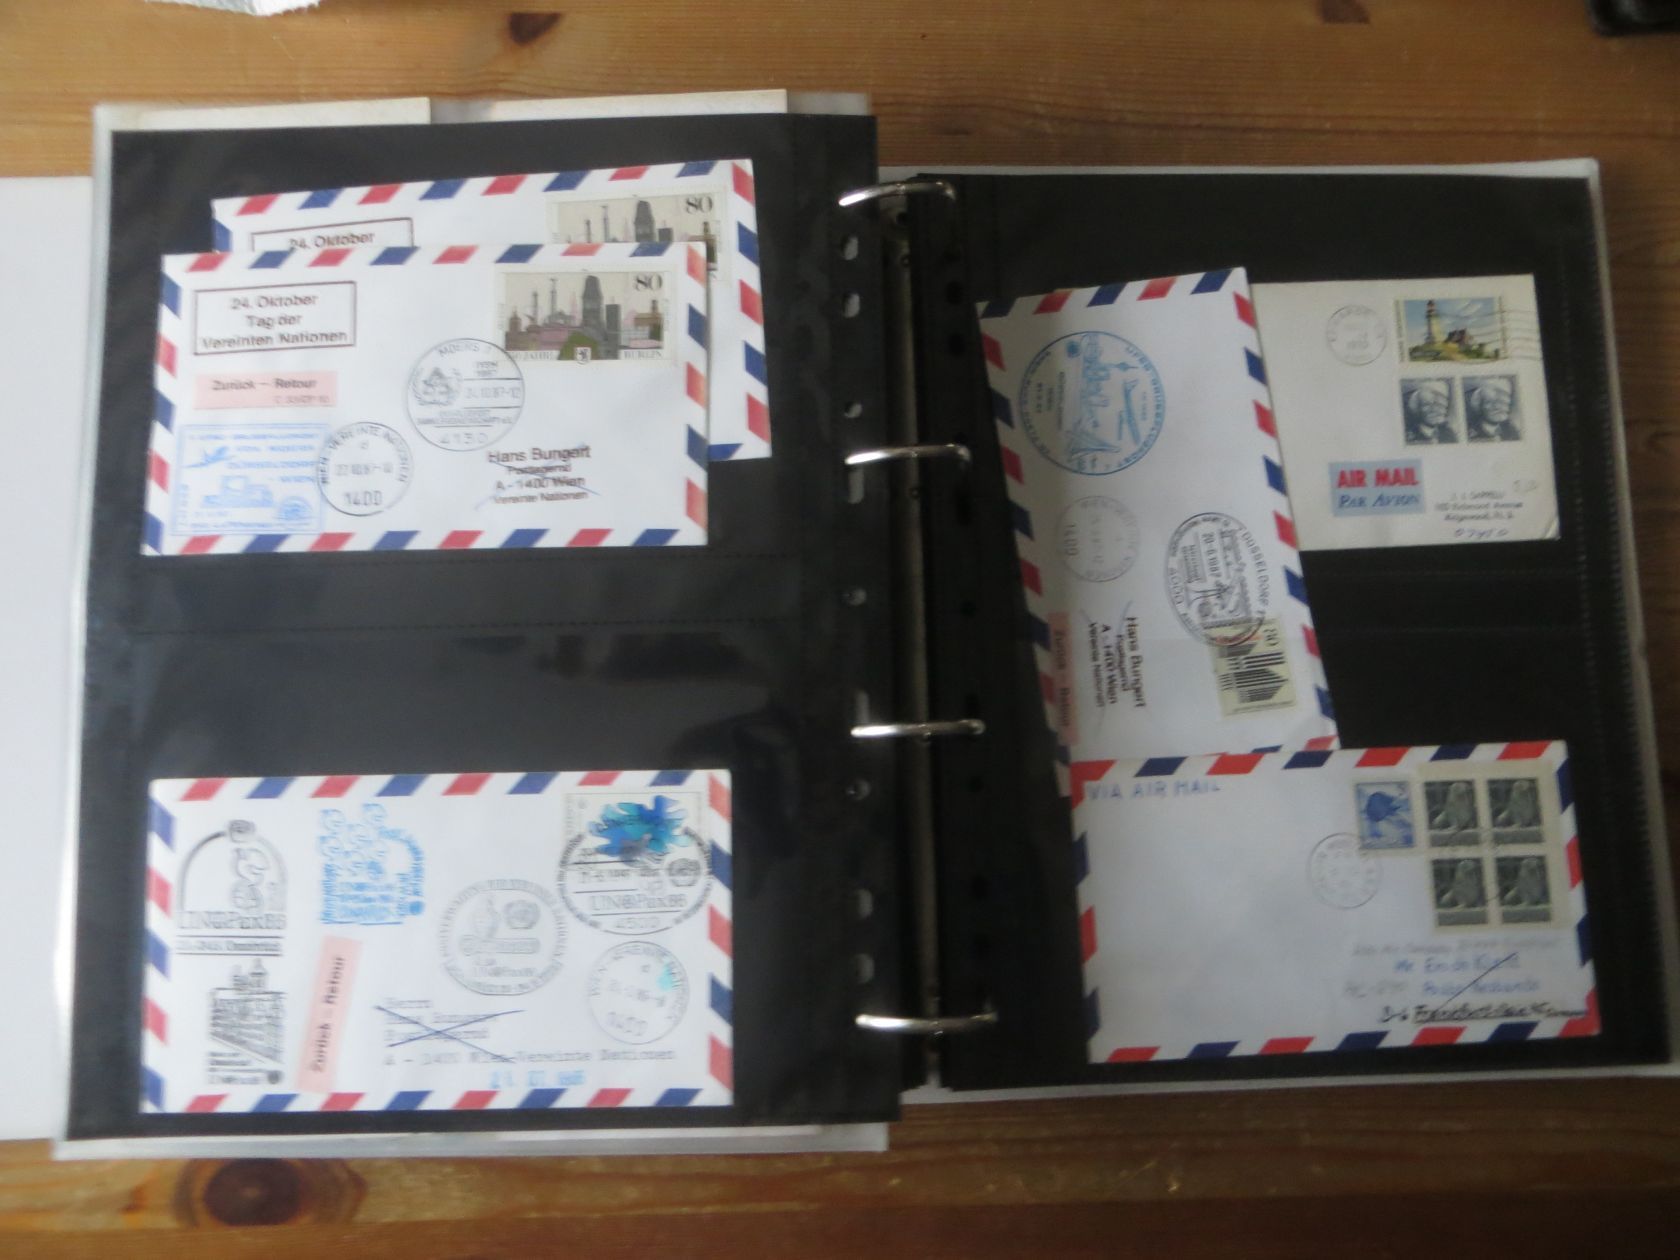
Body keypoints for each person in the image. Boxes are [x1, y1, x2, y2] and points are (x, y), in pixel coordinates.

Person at [1465, 376, 1521, 441]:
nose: (1498, 406)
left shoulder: (1512, 431)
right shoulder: (1470, 433)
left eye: (1503, 402)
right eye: (1490, 402)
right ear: (1479, 404)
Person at [1402, 378, 1456, 444]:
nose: (1434, 409)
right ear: (1417, 407)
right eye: (1427, 405)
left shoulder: (1449, 434)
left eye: (1439, 405)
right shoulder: (1409, 437)